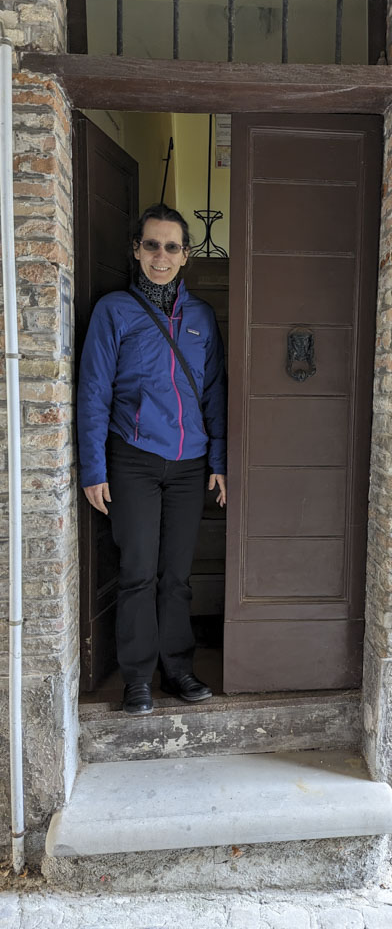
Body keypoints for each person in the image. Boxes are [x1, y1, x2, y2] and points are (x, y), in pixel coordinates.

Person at [77, 203, 227, 715]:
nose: (160, 256)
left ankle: (178, 668)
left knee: (176, 576)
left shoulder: (202, 318)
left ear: (186, 255)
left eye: (171, 247)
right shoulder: (113, 311)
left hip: (190, 464)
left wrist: (219, 461)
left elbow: (213, 394)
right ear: (137, 250)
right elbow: (93, 390)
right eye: (151, 245)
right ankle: (137, 679)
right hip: (134, 459)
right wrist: (94, 468)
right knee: (138, 570)